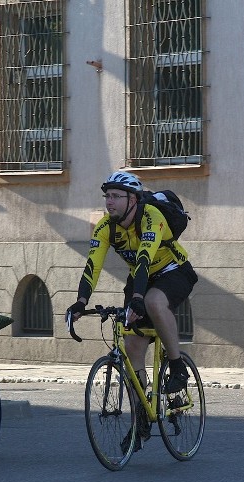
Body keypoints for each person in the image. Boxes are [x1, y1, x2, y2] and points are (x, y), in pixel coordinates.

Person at [67, 171, 198, 450]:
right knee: (131, 345)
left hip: (173, 272)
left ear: (133, 199)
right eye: (107, 196)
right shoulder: (105, 228)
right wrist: (80, 302)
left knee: (152, 302)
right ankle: (141, 419)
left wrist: (137, 297)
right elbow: (93, 265)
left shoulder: (152, 216)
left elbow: (143, 258)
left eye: (115, 196)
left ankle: (177, 367)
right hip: (141, 279)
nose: (109, 202)